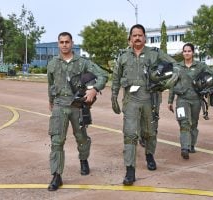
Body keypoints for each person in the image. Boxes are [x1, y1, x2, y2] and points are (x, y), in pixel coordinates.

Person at [111, 24, 177, 185]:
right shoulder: (123, 57)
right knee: (130, 135)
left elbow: (175, 66)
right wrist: (113, 96)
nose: (137, 38)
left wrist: (167, 83)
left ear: (145, 37)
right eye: (134, 35)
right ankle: (130, 171)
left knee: (150, 133)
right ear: (130, 38)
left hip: (150, 100)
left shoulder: (154, 54)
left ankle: (149, 155)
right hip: (130, 101)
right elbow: (116, 77)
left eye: (140, 35)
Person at [47, 32, 108, 191]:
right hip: (60, 106)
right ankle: (56, 175)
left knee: (81, 137)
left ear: (72, 43)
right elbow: (50, 85)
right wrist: (51, 102)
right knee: (57, 141)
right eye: (61, 42)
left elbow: (103, 75)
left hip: (77, 106)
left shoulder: (82, 63)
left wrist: (94, 89)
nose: (65, 44)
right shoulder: (52, 63)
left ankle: (83, 159)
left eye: (67, 42)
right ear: (58, 44)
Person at [168, 43, 213, 160]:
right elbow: (172, 84)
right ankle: (184, 148)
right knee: (184, 123)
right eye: (185, 51)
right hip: (182, 99)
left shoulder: (200, 66)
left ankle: (191, 145)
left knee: (193, 124)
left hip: (196, 100)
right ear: (182, 53)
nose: (186, 53)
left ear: (193, 53)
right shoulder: (177, 67)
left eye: (189, 51)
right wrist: (170, 101)